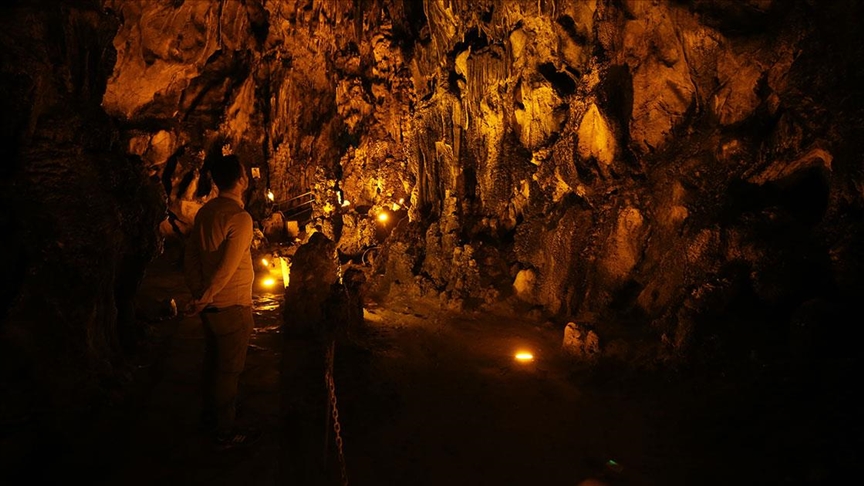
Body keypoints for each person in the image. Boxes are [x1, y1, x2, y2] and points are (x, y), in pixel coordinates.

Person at [183, 153, 261, 449]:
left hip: (211, 307)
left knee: (213, 364)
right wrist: (205, 296)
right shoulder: (239, 218)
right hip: (232, 306)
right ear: (242, 179)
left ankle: (210, 417)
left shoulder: (206, 212)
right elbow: (227, 268)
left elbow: (190, 255)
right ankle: (225, 431)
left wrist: (197, 292)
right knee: (229, 370)